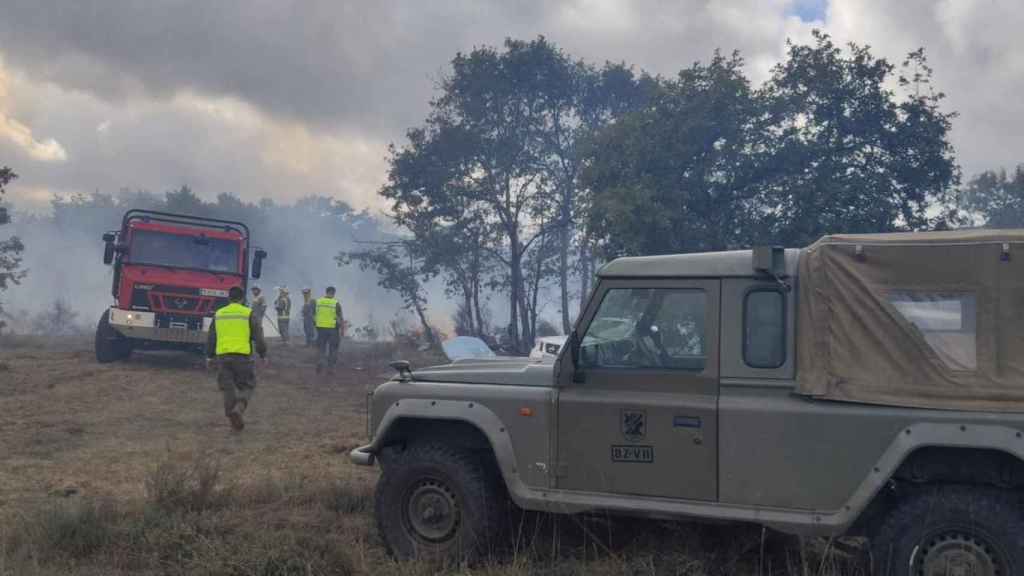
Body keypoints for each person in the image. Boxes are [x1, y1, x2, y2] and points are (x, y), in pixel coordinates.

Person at [206, 286, 267, 431]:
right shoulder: (248, 313)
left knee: (227, 388)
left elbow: (211, 337)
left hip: (223, 356)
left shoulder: (219, 314)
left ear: (229, 298)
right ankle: (238, 410)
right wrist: (263, 354)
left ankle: (231, 415)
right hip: (242, 357)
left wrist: (209, 356)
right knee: (247, 385)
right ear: (242, 298)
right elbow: (259, 337)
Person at [315, 286, 344, 374]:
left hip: (321, 329)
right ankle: (330, 368)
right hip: (333, 329)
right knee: (333, 349)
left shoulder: (318, 302)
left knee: (321, 347)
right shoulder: (335, 303)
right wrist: (342, 329)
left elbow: (313, 314)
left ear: (326, 292)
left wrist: (316, 324)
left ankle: (320, 360)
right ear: (333, 293)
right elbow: (340, 318)